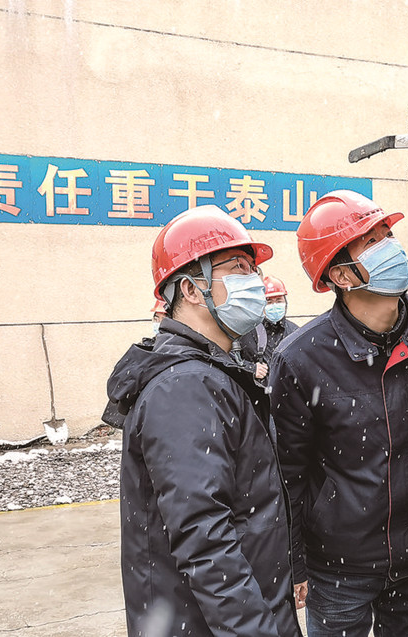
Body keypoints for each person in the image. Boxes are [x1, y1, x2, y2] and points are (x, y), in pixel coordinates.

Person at [269, 190, 408, 636]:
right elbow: (288, 474)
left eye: (388, 234)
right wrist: (295, 562)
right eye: (372, 241)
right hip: (339, 570)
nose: (392, 248)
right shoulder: (301, 358)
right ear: (341, 274)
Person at [106, 204, 301, 637]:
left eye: (253, 269)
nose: (254, 281)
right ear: (191, 290)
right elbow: (205, 539)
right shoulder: (186, 386)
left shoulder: (211, 372)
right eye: (237, 268)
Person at [100, 300, 167, 429]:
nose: (158, 323)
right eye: (156, 318)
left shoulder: (171, 350)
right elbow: (118, 382)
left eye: (163, 318)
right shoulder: (146, 348)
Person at [239, 275, 299, 383]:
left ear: (285, 303)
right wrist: (251, 368)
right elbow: (230, 359)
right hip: (256, 391)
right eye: (269, 302)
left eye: (279, 301)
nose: (274, 306)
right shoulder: (246, 332)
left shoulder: (295, 332)